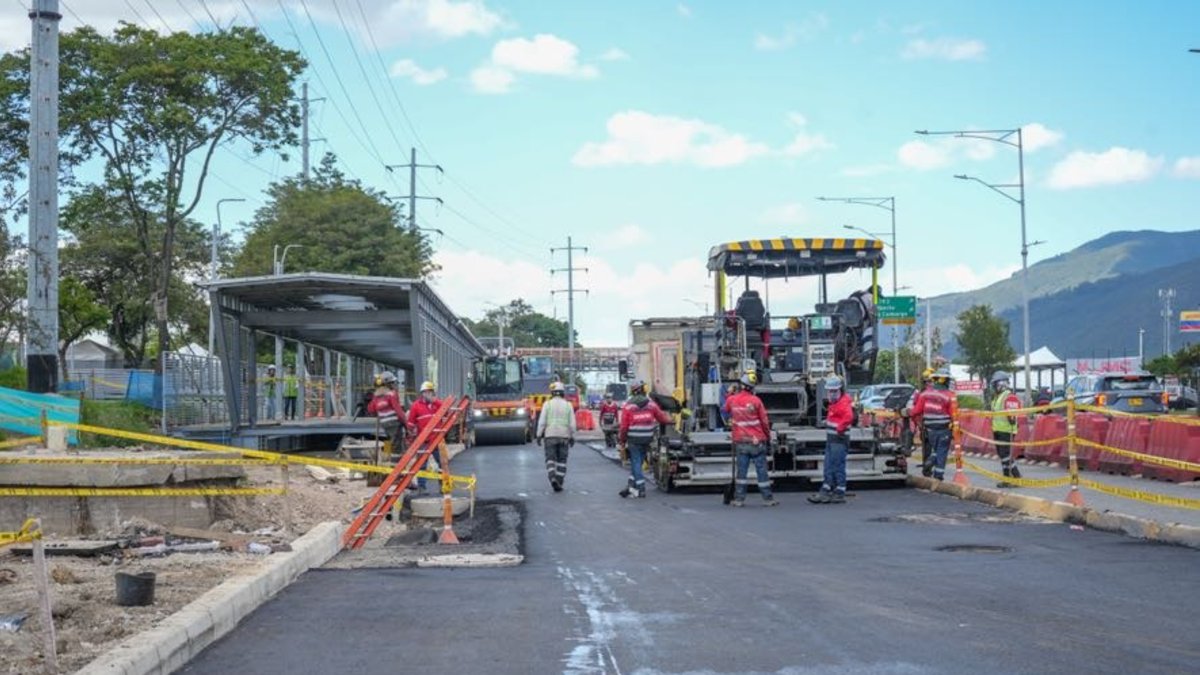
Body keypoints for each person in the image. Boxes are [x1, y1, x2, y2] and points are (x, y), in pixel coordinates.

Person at [724, 373, 778, 507]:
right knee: (762, 471)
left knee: (741, 472)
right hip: (757, 441)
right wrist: (768, 436)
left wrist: (729, 394)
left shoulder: (732, 400)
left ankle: (739, 499)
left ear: (741, 385)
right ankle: (768, 499)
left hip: (741, 441)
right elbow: (764, 422)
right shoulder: (756, 401)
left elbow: (725, 409)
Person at [618, 380, 671, 498]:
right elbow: (662, 418)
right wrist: (671, 420)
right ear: (643, 390)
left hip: (634, 439)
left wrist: (622, 440)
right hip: (647, 438)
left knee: (636, 462)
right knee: (639, 462)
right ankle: (631, 486)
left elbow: (624, 427)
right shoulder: (651, 404)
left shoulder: (628, 406)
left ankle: (641, 488)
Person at [809, 375, 854, 504]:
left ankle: (839, 491)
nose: (831, 394)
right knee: (828, 465)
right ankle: (826, 489)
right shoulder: (835, 403)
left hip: (839, 439)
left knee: (837, 465)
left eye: (834, 391)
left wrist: (839, 428)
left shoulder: (843, 403)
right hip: (832, 439)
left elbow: (848, 417)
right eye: (830, 391)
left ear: (841, 390)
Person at [911, 369, 957, 480]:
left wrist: (916, 422)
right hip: (944, 428)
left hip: (930, 429)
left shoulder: (925, 394)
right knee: (941, 450)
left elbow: (916, 411)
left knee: (936, 449)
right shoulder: (950, 396)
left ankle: (931, 460)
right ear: (944, 380)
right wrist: (957, 430)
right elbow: (954, 415)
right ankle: (938, 475)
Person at [536, 381, 577, 492]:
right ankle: (559, 480)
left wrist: (539, 435)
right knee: (562, 460)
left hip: (550, 436)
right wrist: (573, 436)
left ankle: (552, 477)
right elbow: (572, 424)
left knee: (550, 459)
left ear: (552, 393)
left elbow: (542, 422)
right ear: (563, 393)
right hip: (564, 436)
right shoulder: (568, 405)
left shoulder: (547, 404)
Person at [407, 380, 443, 493]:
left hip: (437, 440)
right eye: (425, 392)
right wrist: (410, 436)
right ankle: (422, 487)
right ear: (422, 393)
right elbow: (411, 423)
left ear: (433, 392)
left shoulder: (437, 404)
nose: (427, 394)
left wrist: (435, 401)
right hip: (423, 441)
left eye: (430, 392)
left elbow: (446, 411)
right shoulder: (416, 406)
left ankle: (443, 486)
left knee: (442, 463)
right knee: (422, 464)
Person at [990, 372, 1023, 487]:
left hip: (1007, 430)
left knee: (1005, 455)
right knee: (1003, 455)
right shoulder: (997, 397)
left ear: (1001, 384)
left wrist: (1012, 419)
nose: (994, 387)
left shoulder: (1009, 396)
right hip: (998, 430)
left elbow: (1012, 414)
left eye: (995, 384)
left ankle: (1012, 478)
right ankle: (1012, 477)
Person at [367, 371, 406, 459]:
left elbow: (371, 410)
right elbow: (398, 411)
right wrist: (406, 423)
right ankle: (395, 466)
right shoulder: (392, 394)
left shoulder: (376, 396)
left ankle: (389, 463)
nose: (393, 384)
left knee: (390, 443)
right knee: (396, 447)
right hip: (394, 424)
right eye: (392, 383)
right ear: (387, 384)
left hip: (384, 425)